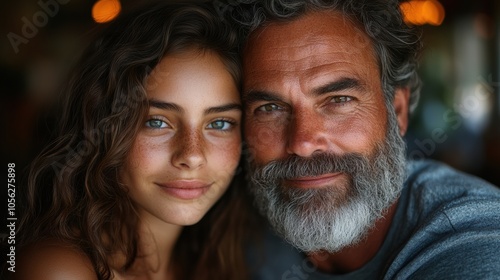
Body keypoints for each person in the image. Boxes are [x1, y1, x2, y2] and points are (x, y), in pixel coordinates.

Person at [226, 0, 500, 279]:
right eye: (270, 108)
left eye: (339, 100)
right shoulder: (227, 228)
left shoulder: (472, 238)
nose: (303, 144)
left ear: (398, 112)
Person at [7, 2, 251, 279]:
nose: (192, 155)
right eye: (156, 122)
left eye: (220, 123)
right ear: (105, 126)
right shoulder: (59, 270)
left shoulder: (219, 265)